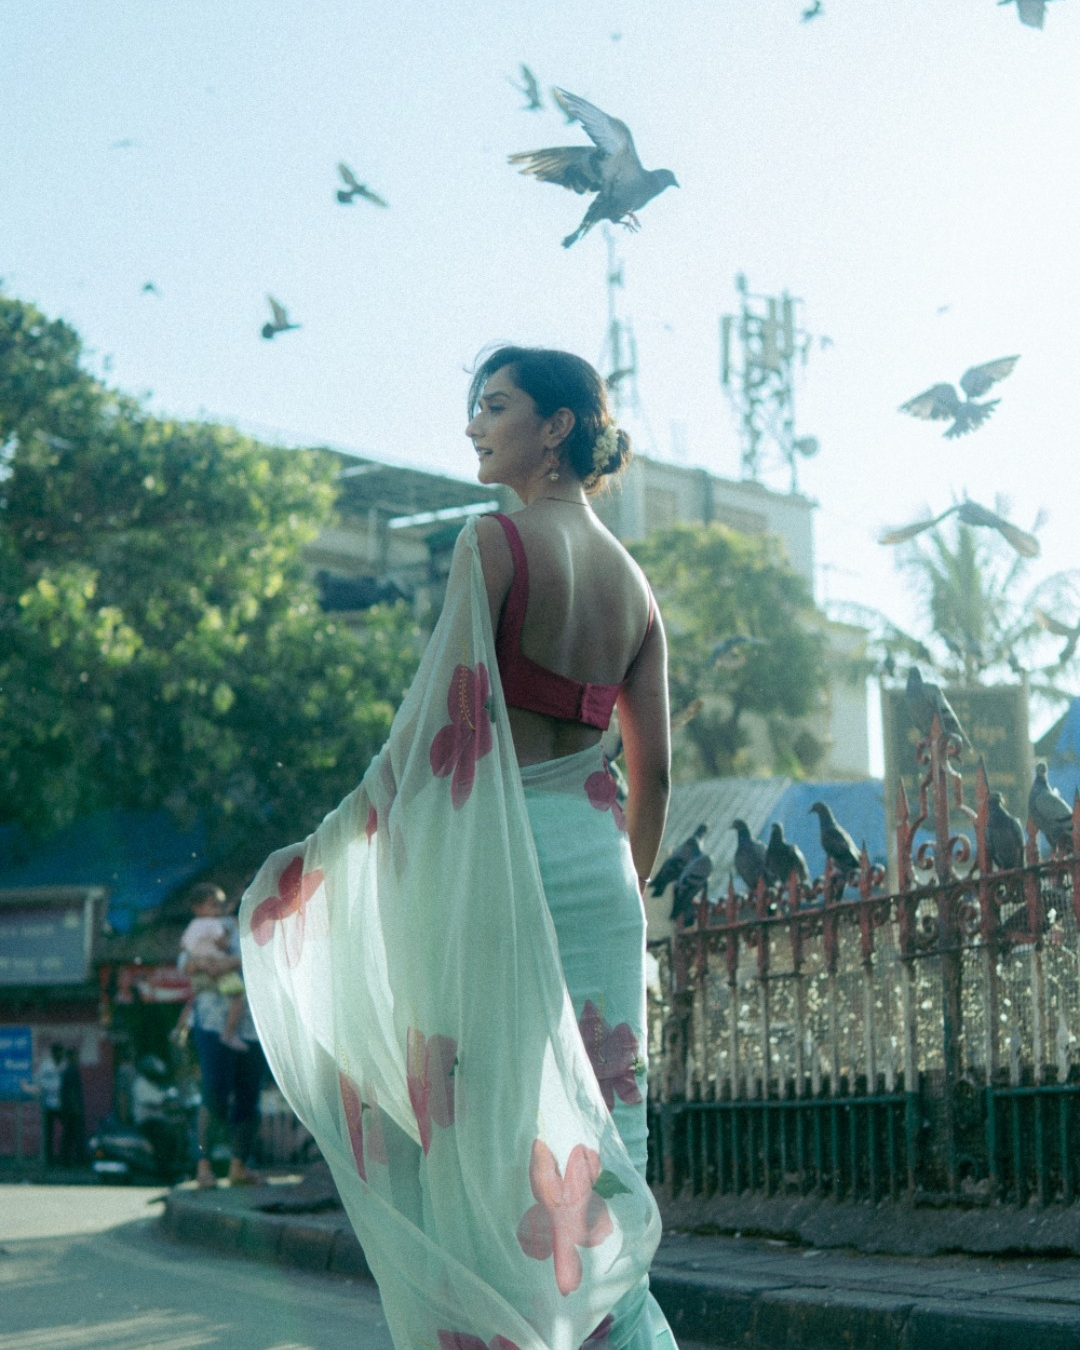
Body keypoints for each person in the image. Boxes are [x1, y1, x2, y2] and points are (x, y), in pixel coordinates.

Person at [240, 346, 674, 1350]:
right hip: (600, 870)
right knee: (601, 1135)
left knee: (487, 1129)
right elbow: (654, 778)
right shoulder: (635, 583)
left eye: (495, 405)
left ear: (555, 427)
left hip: (501, 868)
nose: (474, 425)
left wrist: (320, 860)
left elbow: (438, 728)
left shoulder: (494, 543)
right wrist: (627, 880)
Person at [178, 881, 266, 1188]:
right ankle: (203, 1166)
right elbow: (184, 961)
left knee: (249, 1096)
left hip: (253, 1026)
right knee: (214, 1093)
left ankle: (238, 1166)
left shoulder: (262, 929)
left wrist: (229, 962)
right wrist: (203, 963)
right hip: (212, 1022)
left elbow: (266, 958)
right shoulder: (212, 927)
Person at [178, 887, 249, 1052]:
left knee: (193, 1000)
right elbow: (222, 945)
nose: (219, 909)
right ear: (198, 908)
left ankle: (179, 1029)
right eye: (214, 905)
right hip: (216, 990)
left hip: (206, 978)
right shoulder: (216, 925)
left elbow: (184, 948)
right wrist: (214, 961)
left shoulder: (193, 926)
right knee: (238, 997)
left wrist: (200, 961)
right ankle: (229, 1034)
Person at [23, 1042, 64, 1166]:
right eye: (56, 1052)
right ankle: (48, 1159)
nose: (59, 1054)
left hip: (63, 1104)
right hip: (48, 1104)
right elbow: (38, 1081)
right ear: (53, 1053)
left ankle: (63, 1158)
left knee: (67, 1130)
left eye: (60, 1052)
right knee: (48, 1133)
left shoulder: (64, 1065)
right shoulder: (46, 1066)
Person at [58, 1046, 86, 1167]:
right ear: (71, 1057)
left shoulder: (67, 1071)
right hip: (73, 1110)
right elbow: (72, 1092)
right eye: (75, 1056)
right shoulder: (72, 1071)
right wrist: (77, 1109)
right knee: (76, 1135)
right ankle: (77, 1160)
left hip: (68, 1109)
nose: (77, 1058)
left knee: (68, 1136)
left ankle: (65, 1160)